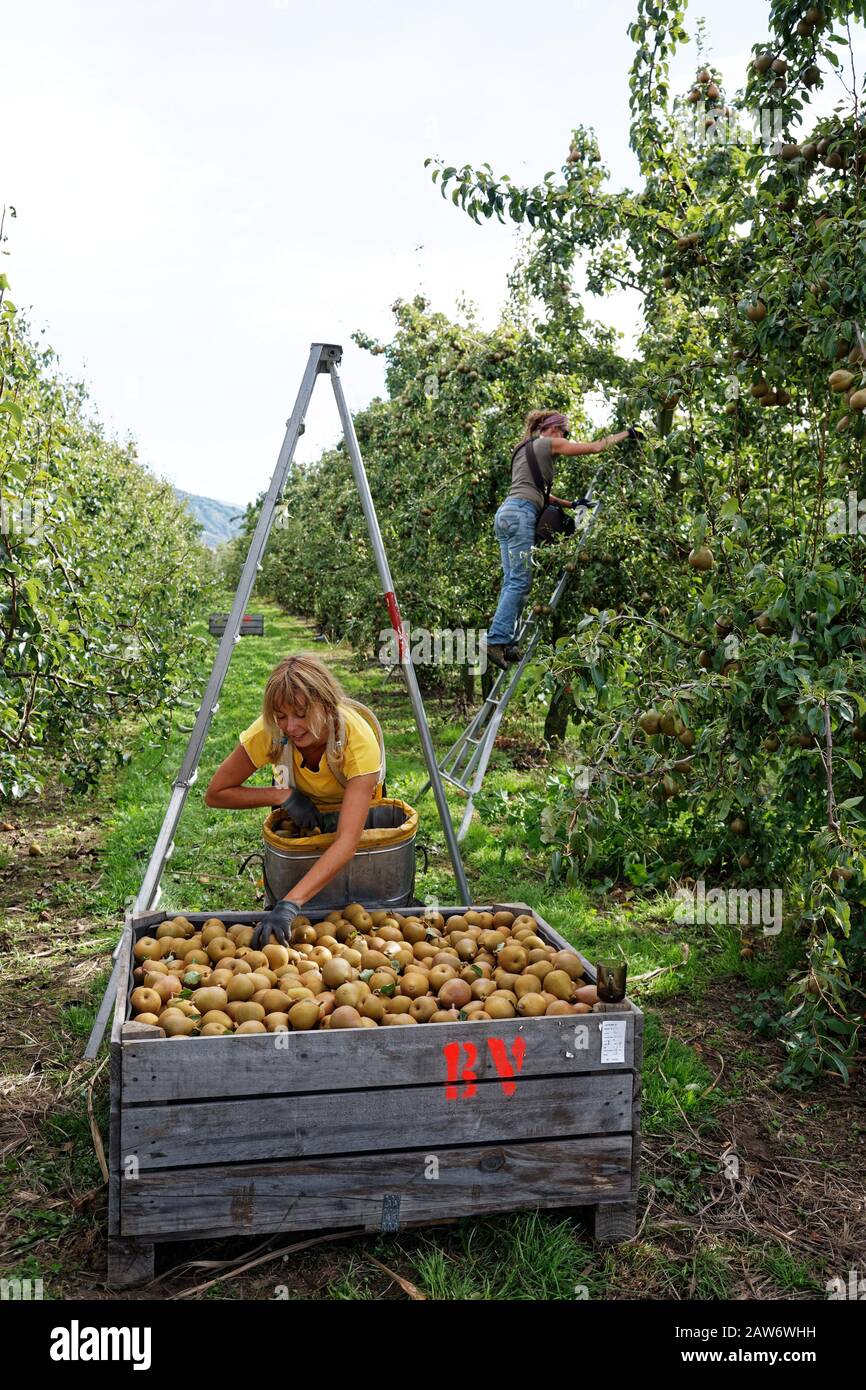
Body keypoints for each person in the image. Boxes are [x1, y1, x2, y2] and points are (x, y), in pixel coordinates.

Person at [205, 653, 384, 946]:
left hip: (351, 811)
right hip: (302, 819)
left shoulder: (356, 740)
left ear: (327, 705)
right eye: (281, 716)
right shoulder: (271, 732)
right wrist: (282, 794)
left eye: (302, 714)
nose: (290, 726)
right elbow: (216, 793)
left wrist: (289, 905)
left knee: (354, 898)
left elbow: (348, 840)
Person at [484, 409, 639, 671]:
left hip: (506, 514)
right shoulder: (549, 443)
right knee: (520, 582)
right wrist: (628, 434)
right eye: (566, 433)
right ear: (554, 429)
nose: (566, 437)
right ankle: (495, 640)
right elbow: (595, 448)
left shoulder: (524, 449)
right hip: (521, 514)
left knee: (513, 582)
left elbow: (538, 493)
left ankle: (507, 643)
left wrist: (572, 504)